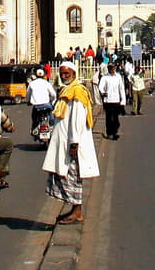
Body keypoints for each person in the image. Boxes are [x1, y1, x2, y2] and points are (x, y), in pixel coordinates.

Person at [43, 62, 99, 225]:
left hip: (72, 144)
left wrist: (74, 143)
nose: (64, 76)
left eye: (67, 73)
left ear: (74, 73)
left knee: (72, 176)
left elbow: (77, 120)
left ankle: (78, 211)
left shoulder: (77, 92)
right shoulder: (67, 91)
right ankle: (75, 209)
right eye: (62, 74)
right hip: (65, 142)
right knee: (64, 176)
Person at [97, 63, 127, 141]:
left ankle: (115, 132)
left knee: (116, 118)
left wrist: (123, 100)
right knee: (109, 118)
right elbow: (100, 87)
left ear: (115, 68)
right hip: (108, 101)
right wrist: (103, 93)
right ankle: (110, 133)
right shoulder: (105, 77)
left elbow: (121, 89)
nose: (111, 69)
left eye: (112, 67)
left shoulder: (118, 77)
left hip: (116, 100)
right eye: (110, 68)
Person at [27, 68, 57, 134]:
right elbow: (53, 94)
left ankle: (34, 128)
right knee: (51, 113)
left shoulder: (32, 84)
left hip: (36, 106)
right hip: (47, 104)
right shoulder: (46, 83)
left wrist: (28, 101)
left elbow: (28, 95)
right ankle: (51, 126)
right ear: (44, 75)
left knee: (34, 117)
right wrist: (53, 100)